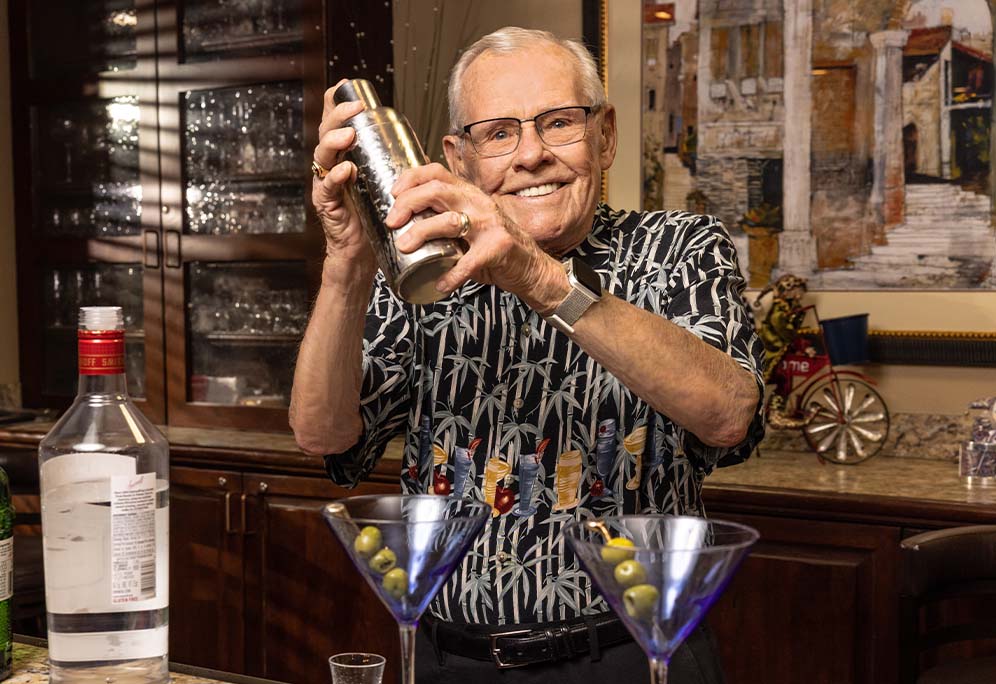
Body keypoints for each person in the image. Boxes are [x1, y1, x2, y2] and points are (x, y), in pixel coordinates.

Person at [292, 26, 764, 684]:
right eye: (499, 132)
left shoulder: (679, 247)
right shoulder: (424, 272)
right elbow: (324, 431)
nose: (532, 154)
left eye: (559, 123)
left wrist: (538, 277)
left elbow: (728, 414)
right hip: (449, 659)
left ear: (605, 136)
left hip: (633, 657)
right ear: (458, 158)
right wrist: (345, 264)